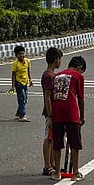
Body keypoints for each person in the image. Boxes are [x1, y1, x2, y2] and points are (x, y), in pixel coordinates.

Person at [51, 56, 86, 182]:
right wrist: (82, 117)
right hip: (71, 113)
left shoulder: (57, 75)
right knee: (74, 142)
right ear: (79, 68)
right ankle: (75, 172)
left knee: (57, 143)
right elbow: (80, 99)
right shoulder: (78, 76)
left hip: (57, 112)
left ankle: (57, 172)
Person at [41, 47, 63, 176]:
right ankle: (47, 165)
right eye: (60, 59)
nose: (60, 62)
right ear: (56, 60)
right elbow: (47, 97)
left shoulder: (50, 75)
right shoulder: (49, 76)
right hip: (51, 113)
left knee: (53, 138)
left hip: (53, 112)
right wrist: (51, 114)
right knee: (48, 138)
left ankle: (53, 163)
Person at [10, 45, 33, 122]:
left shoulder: (27, 61)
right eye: (19, 54)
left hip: (25, 82)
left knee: (25, 99)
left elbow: (28, 71)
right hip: (19, 83)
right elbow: (13, 75)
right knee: (22, 99)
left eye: (23, 53)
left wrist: (30, 80)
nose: (22, 55)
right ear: (16, 55)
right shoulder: (15, 64)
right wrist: (13, 86)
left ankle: (18, 113)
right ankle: (22, 115)